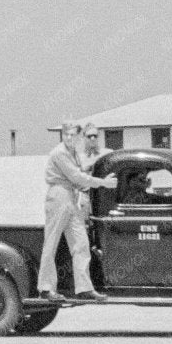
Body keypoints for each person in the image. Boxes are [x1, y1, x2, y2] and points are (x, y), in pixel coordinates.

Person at [36, 127, 106, 298]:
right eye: (67, 134)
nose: (70, 137)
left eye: (73, 135)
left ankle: (84, 288)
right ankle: (46, 288)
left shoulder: (73, 153)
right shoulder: (59, 153)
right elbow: (76, 176)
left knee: (81, 243)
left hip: (72, 196)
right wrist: (103, 182)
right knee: (51, 242)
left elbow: (78, 178)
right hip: (59, 195)